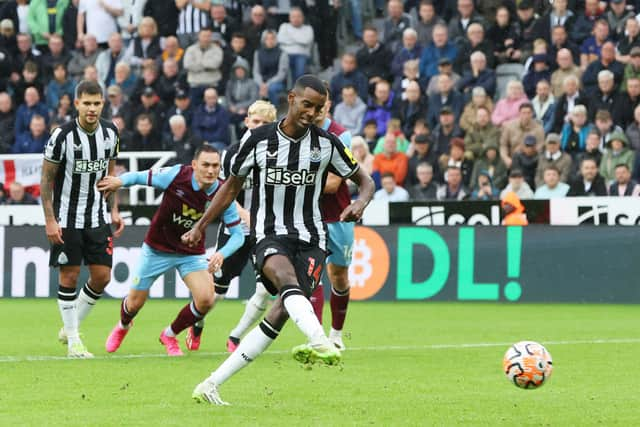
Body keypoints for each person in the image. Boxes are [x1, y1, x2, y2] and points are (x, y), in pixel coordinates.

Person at [184, 75, 375, 405]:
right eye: (306, 105)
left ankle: (211, 384)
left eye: (318, 108)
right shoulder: (258, 140)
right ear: (291, 99)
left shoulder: (327, 143)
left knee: (279, 313)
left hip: (312, 238)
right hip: (268, 235)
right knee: (287, 282)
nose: (311, 113)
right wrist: (202, 224)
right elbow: (230, 187)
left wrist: (360, 202)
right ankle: (320, 340)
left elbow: (365, 181)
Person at [98, 145, 244, 356]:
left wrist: (221, 253)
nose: (211, 170)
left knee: (206, 299)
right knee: (135, 302)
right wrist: (119, 181)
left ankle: (169, 334)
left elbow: (238, 235)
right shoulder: (176, 175)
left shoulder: (223, 194)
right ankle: (123, 325)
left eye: (215, 166)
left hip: (190, 254)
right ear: (194, 165)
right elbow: (142, 176)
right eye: (205, 165)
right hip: (157, 249)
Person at [40, 80, 124, 358]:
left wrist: (114, 208)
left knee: (102, 276)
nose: (91, 108)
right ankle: (74, 341)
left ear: (103, 104)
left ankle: (70, 326)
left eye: (96, 103)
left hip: (98, 216)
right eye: (86, 103)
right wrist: (50, 220)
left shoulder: (111, 133)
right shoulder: (61, 137)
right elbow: (46, 179)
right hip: (67, 217)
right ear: (76, 104)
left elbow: (110, 173)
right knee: (70, 275)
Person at [202, 100, 277, 352]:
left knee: (266, 289)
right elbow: (225, 192)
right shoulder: (232, 153)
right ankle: (198, 320)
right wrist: (245, 214)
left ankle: (235, 336)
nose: (259, 127)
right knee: (217, 290)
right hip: (236, 227)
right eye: (255, 122)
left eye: (265, 124)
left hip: (265, 231)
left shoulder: (278, 153)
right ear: (247, 121)